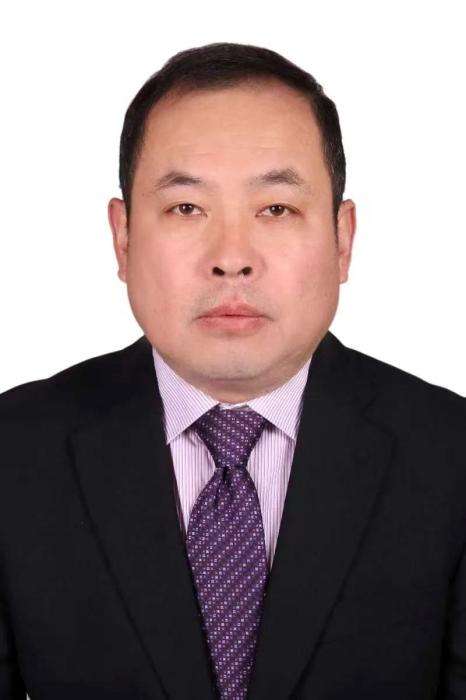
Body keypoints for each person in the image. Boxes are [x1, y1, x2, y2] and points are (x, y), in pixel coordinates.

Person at [0, 41, 464, 700]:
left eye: (276, 208)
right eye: (186, 208)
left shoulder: (450, 455)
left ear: (343, 239)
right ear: (123, 237)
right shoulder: (15, 452)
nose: (232, 258)